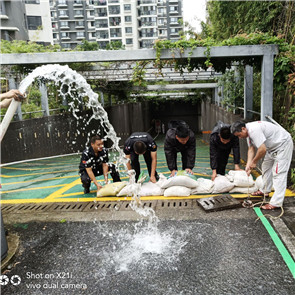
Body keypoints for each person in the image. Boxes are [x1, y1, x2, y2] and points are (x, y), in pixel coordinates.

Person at [231, 120, 294, 210]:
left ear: (243, 129)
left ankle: (276, 202)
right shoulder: (248, 131)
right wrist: (248, 165)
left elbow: (262, 150)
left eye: (239, 135)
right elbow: (251, 148)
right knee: (265, 167)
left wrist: (254, 162)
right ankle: (265, 190)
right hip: (271, 148)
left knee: (278, 173)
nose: (240, 138)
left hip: (282, 145)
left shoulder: (253, 130)